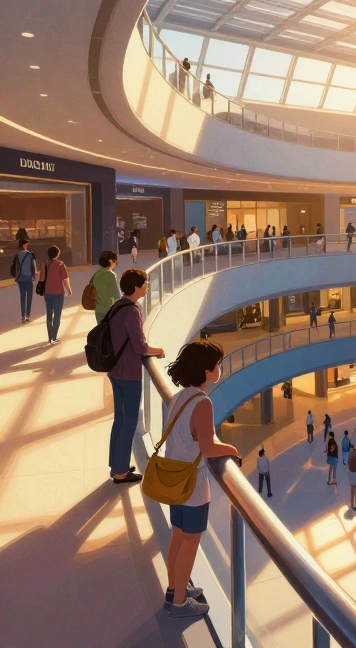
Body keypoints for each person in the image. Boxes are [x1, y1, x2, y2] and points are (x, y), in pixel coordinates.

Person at [162, 340, 240, 618]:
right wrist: (231, 449)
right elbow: (208, 447)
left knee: (178, 538)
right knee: (191, 543)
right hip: (192, 486)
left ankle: (174, 588)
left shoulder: (179, 397)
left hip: (174, 480)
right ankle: (180, 602)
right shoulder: (202, 403)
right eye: (217, 365)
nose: (219, 369)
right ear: (207, 371)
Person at [107, 268, 166, 483]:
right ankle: (121, 471)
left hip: (115, 370)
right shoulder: (132, 310)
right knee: (129, 421)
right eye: (145, 283)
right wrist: (157, 350)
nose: (148, 285)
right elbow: (139, 346)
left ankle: (117, 465)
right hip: (129, 373)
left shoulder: (118, 305)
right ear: (136, 287)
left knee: (120, 420)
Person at [39, 245, 71, 344]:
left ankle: (50, 337)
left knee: (49, 314)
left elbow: (41, 279)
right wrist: (69, 290)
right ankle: (54, 337)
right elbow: (65, 279)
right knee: (57, 316)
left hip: (47, 293)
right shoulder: (61, 265)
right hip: (58, 293)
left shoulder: (44, 265)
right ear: (57, 254)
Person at [91, 251, 122, 324]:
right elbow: (117, 295)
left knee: (101, 331)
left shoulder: (97, 273)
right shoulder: (111, 275)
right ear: (110, 261)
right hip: (109, 309)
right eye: (115, 261)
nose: (115, 263)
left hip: (98, 309)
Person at [12, 239, 36, 323]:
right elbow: (33, 267)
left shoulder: (17, 255)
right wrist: (34, 276)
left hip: (20, 279)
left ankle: (22, 317)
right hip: (29, 279)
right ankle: (28, 316)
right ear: (23, 245)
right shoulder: (30, 254)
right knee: (29, 298)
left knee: (22, 297)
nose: (27, 246)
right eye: (26, 244)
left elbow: (16, 267)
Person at [347, 445, 356, 511]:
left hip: (351, 475)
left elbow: (348, 465)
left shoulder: (350, 457)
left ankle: (352, 504)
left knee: (352, 490)